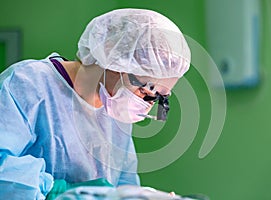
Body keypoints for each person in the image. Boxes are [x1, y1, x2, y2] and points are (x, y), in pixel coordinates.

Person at [0, 8, 191, 199]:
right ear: (111, 56)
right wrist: (56, 190)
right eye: (145, 91)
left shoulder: (114, 108)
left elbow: (123, 184)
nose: (146, 105)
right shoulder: (27, 84)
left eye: (158, 97)